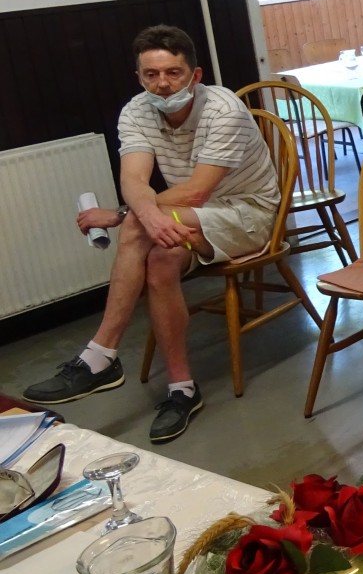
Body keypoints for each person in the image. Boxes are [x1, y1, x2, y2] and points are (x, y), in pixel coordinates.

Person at [22, 25, 280, 443]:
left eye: (173, 73)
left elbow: (197, 191)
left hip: (247, 214)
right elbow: (134, 180)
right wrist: (141, 212)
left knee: (136, 224)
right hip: (184, 216)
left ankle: (101, 355)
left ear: (195, 75)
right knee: (159, 259)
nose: (162, 84)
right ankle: (182, 390)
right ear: (139, 77)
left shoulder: (223, 109)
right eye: (151, 74)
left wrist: (125, 215)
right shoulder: (137, 110)